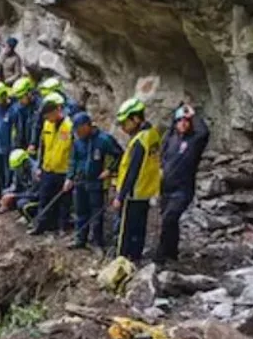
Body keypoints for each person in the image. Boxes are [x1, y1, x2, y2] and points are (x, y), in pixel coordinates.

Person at [156, 104, 210, 265]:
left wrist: (193, 115)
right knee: (169, 222)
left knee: (169, 218)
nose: (183, 123)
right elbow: (162, 157)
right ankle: (172, 254)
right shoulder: (170, 138)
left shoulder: (194, 141)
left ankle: (160, 255)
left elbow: (204, 132)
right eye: (180, 120)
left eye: (186, 120)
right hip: (166, 188)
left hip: (183, 190)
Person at [113, 98, 163, 263]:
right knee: (139, 228)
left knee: (125, 230)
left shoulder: (139, 141)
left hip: (133, 193)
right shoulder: (153, 134)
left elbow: (132, 170)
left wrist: (120, 196)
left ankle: (120, 261)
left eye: (124, 123)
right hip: (146, 191)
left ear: (135, 119)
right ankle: (135, 258)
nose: (123, 128)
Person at [65, 112, 123, 250]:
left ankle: (97, 242)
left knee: (96, 213)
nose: (77, 133)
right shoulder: (77, 141)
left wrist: (109, 169)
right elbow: (73, 160)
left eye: (79, 130)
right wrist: (69, 177)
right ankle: (80, 239)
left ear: (86, 126)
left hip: (97, 182)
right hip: (80, 181)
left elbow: (120, 155)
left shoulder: (103, 139)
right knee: (80, 212)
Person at [30, 93, 74, 235]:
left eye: (49, 115)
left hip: (63, 170)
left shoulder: (69, 126)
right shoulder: (47, 124)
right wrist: (39, 166)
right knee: (44, 198)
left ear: (57, 111)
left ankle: (62, 227)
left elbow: (73, 153)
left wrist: (70, 176)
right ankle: (41, 225)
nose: (48, 119)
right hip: (48, 168)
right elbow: (43, 147)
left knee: (63, 201)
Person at [1, 148, 40, 219]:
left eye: (18, 168)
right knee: (5, 193)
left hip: (37, 197)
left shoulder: (35, 172)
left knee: (21, 203)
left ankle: (35, 219)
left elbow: (35, 194)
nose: (17, 171)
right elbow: (15, 185)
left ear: (25, 163)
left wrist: (15, 196)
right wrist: (7, 193)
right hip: (27, 192)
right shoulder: (19, 170)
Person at [8, 76, 40, 152]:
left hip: (34, 147)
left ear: (29, 93)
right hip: (21, 145)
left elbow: (36, 126)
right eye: (18, 98)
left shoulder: (38, 107)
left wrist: (33, 143)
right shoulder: (19, 107)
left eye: (21, 97)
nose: (20, 101)